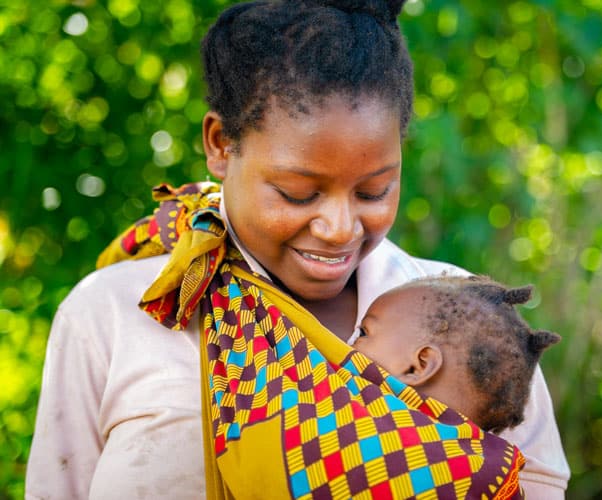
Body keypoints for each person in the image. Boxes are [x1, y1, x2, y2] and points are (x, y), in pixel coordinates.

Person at [26, 0, 570, 498]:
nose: (339, 227)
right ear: (220, 143)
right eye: (297, 193)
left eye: (374, 190)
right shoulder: (114, 314)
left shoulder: (472, 326)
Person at [351, 275, 561, 434]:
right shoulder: (487, 476)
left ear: (419, 365)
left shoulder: (350, 422)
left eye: (363, 333)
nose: (348, 343)